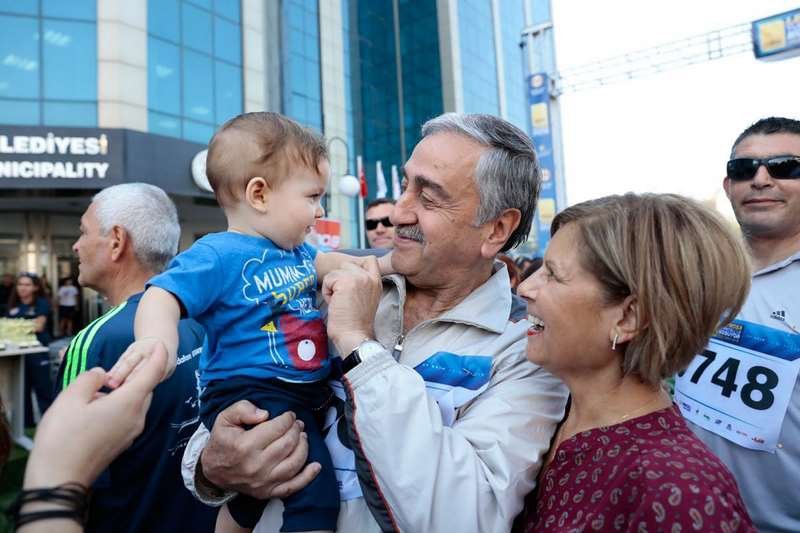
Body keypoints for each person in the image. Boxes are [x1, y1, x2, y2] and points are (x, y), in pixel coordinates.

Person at [181, 113, 568, 532]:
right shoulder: (327, 279)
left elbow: (466, 518)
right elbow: (235, 396)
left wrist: (357, 345)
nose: (399, 212)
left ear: (497, 228)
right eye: (405, 185)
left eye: (428, 198)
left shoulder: (525, 350)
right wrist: (210, 465)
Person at [107, 112, 391, 533]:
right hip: (251, 390)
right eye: (312, 196)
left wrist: (392, 264)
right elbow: (162, 295)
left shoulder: (296, 252)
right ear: (259, 194)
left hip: (293, 387)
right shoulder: (217, 254)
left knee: (253, 494)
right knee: (312, 490)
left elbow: (335, 262)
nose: (320, 210)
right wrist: (156, 342)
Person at [514, 193, 754, 531]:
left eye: (552, 274)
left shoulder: (681, 492)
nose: (524, 288)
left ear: (628, 317)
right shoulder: (547, 410)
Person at [53, 183, 216, 533]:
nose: (76, 245)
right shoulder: (202, 318)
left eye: (83, 232)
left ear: (116, 241)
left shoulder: (97, 341)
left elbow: (64, 478)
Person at [676, 117, 800, 533]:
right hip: (687, 514)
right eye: (744, 169)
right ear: (728, 186)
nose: (761, 180)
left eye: (786, 167)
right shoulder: (691, 275)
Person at [6, 272, 54, 426]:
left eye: (27, 285)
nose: (23, 288)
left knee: (43, 388)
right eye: (20, 284)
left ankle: (50, 424)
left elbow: (39, 326)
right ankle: (27, 425)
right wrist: (22, 326)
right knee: (22, 389)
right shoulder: (13, 305)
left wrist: (12, 327)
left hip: (37, 352)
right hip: (18, 352)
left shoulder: (41, 303)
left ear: (35, 287)